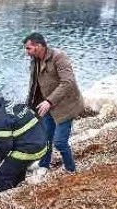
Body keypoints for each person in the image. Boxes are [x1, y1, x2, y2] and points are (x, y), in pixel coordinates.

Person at [24, 32, 85, 173]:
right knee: (45, 137)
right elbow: (33, 85)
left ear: (39, 46)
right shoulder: (34, 60)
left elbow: (68, 82)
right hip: (46, 105)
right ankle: (44, 165)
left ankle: (71, 169)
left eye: (28, 48)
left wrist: (49, 101)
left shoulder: (59, 56)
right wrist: (28, 106)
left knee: (60, 142)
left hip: (65, 105)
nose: (26, 52)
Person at [0, 86, 48, 191]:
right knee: (16, 167)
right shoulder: (12, 103)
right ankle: (18, 187)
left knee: (2, 177)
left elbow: (4, 146)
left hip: (31, 149)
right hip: (42, 143)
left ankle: (2, 197)